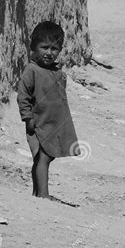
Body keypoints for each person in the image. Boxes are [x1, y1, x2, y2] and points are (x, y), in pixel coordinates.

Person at [17, 21, 80, 202]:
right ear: (33, 47)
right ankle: (43, 195)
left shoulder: (57, 72)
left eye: (54, 48)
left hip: (55, 124)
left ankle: (37, 193)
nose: (49, 53)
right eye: (44, 47)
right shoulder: (32, 70)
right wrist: (27, 118)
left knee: (44, 158)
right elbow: (23, 96)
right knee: (43, 157)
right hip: (39, 123)